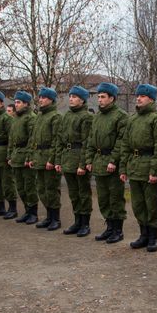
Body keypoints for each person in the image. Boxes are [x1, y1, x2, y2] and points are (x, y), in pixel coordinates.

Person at [119, 84, 157, 252]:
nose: (138, 98)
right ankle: (144, 234)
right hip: (134, 167)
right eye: (137, 95)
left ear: (151, 99)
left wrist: (155, 171)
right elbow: (125, 145)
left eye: (142, 96)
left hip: (149, 167)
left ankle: (154, 237)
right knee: (138, 204)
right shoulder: (132, 120)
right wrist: (123, 168)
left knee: (152, 204)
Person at [85, 82, 129, 243]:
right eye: (99, 97)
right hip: (98, 161)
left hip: (112, 163)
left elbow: (122, 141)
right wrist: (89, 159)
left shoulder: (121, 116)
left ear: (112, 98)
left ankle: (118, 230)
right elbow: (91, 140)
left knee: (115, 198)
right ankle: (109, 227)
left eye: (103, 97)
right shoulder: (97, 117)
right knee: (103, 198)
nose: (100, 100)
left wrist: (113, 160)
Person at [55, 86, 93, 237]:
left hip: (79, 157)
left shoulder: (87, 117)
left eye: (75, 96)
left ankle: (85, 223)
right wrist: (59, 160)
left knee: (83, 192)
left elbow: (87, 142)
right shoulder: (67, 116)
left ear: (82, 100)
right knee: (73, 193)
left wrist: (83, 164)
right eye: (70, 96)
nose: (71, 98)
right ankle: (77, 221)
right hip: (68, 157)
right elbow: (60, 139)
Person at [28, 87, 63, 230]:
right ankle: (49, 217)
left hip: (48, 157)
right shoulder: (39, 116)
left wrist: (52, 159)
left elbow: (57, 140)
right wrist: (31, 156)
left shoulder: (55, 117)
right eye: (40, 97)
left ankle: (56, 218)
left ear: (51, 99)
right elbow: (33, 139)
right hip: (38, 157)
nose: (40, 100)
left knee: (51, 189)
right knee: (41, 189)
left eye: (43, 97)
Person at [9, 91, 39, 224]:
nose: (16, 105)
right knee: (20, 186)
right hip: (16, 155)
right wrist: (10, 155)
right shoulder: (16, 118)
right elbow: (11, 139)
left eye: (18, 102)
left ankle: (33, 213)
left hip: (25, 155)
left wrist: (29, 157)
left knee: (29, 186)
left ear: (26, 104)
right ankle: (27, 211)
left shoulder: (31, 118)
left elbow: (32, 140)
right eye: (15, 102)